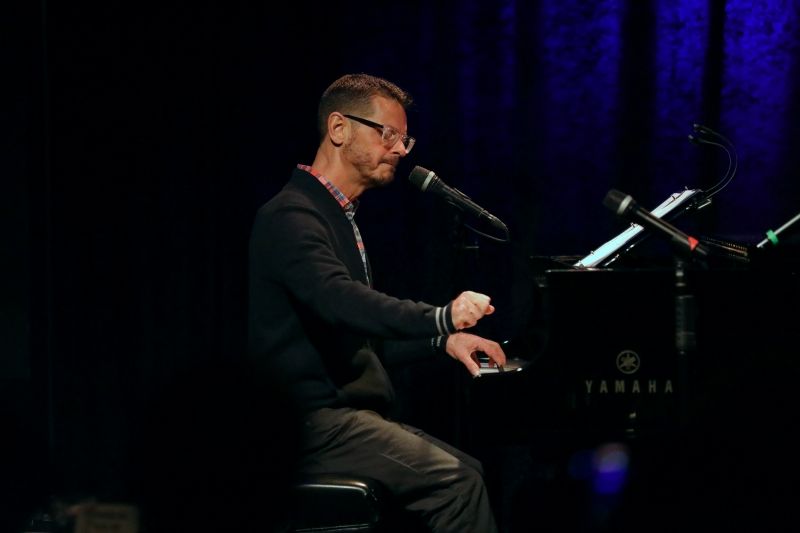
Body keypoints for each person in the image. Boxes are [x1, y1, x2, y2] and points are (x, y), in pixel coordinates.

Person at [247, 73, 506, 532]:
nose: (402, 150)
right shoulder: (291, 216)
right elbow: (340, 300)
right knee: (457, 482)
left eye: (406, 140)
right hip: (310, 424)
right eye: (388, 134)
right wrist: (441, 318)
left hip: (345, 418)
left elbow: (356, 336)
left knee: (471, 470)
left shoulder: (338, 217)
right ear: (339, 128)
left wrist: (442, 343)